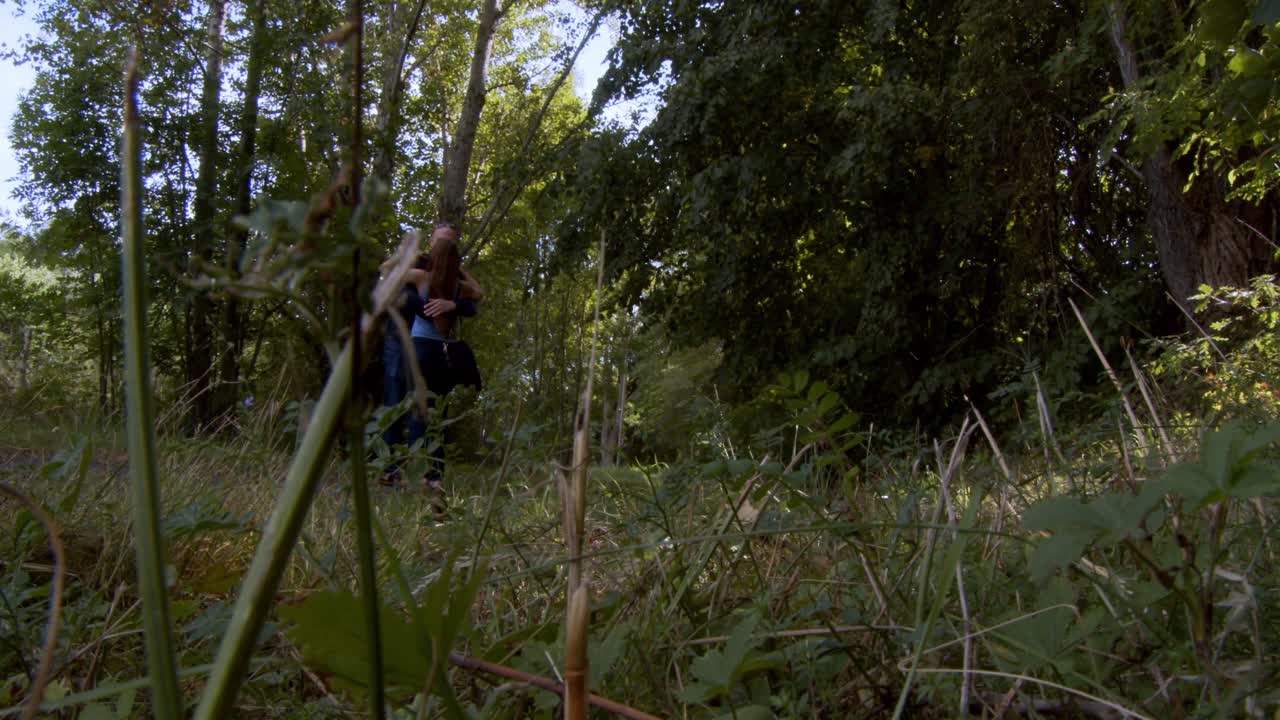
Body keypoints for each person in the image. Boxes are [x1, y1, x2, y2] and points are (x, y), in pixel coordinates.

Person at [378, 221, 481, 486]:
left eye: (449, 241)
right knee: (395, 406)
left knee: (427, 410)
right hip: (399, 340)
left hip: (428, 348)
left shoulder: (454, 278)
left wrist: (451, 303)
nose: (443, 245)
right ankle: (393, 471)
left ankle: (426, 474)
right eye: (440, 240)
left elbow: (474, 302)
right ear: (431, 242)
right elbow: (390, 279)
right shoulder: (419, 268)